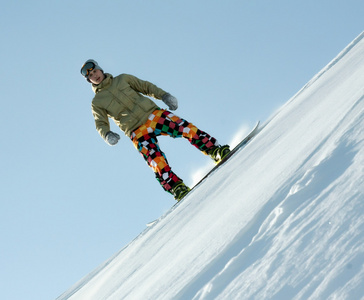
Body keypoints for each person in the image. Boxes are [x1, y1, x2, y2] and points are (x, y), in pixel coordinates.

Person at [80, 59, 230, 201]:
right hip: (135, 130)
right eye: (91, 76)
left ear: (100, 69)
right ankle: (175, 187)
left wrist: (164, 95)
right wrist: (106, 134)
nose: (95, 76)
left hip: (153, 115)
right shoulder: (97, 102)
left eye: (95, 72)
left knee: (185, 128)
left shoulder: (123, 79)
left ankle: (214, 150)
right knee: (155, 160)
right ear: (89, 81)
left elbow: (145, 86)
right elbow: (100, 122)